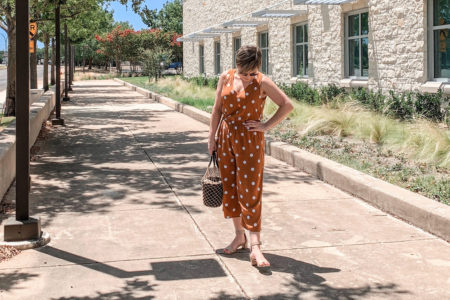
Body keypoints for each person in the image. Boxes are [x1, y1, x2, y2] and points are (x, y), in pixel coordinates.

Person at [208, 45, 294, 269]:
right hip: (226, 137)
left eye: (252, 73)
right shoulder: (225, 77)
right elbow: (217, 110)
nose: (248, 77)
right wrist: (211, 139)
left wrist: (265, 126)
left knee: (250, 189)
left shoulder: (263, 81)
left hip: (250, 141)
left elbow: (287, 105)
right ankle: (239, 236)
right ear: (237, 65)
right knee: (230, 188)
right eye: (244, 73)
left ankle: (256, 245)